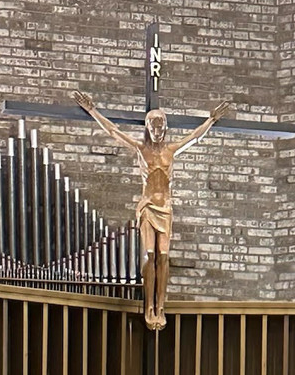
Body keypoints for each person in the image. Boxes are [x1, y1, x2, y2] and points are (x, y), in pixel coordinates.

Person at [72, 89, 231, 331]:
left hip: (165, 207)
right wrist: (92, 110)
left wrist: (211, 120)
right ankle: (148, 306)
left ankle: (161, 305)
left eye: (161, 125)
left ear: (165, 127)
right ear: (147, 127)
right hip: (147, 207)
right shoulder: (140, 149)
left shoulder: (171, 150)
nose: (157, 130)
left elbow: (195, 137)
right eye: (153, 125)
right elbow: (113, 132)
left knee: (164, 256)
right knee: (149, 255)